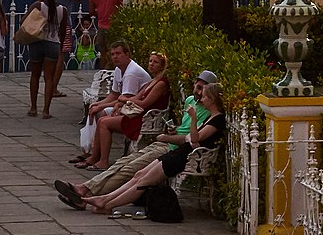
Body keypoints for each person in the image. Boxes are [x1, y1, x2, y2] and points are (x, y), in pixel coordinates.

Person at [55, 70, 218, 204]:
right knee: (123, 162)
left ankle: (85, 193)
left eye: (202, 90)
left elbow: (191, 138)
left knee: (129, 169)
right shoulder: (190, 100)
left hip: (173, 148)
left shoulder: (208, 112)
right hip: (166, 143)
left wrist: (166, 138)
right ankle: (86, 189)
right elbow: (184, 127)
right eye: (197, 87)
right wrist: (172, 130)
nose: (198, 92)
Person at [75, 52, 170, 171]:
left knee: (104, 122)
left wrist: (123, 99)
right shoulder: (152, 81)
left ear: (162, 66)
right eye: (150, 61)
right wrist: (122, 101)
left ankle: (103, 161)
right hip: (137, 114)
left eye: (155, 62)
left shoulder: (161, 83)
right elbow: (136, 98)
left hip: (144, 118)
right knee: (103, 120)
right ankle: (94, 157)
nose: (151, 64)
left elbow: (144, 103)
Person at [39, 0, 82, 96]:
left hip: (47, 24)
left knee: (48, 57)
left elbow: (39, 1)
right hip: (64, 23)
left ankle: (47, 85)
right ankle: (54, 88)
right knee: (60, 56)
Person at [27, 0, 68, 119]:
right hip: (53, 43)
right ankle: (46, 110)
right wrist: (61, 46)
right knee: (49, 78)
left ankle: (33, 107)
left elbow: (24, 20)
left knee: (35, 75)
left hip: (37, 42)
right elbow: (63, 31)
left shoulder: (38, 6)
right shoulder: (63, 10)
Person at [86, 0, 123, 69]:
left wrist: (101, 10)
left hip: (101, 26)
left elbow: (91, 11)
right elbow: (123, 8)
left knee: (103, 54)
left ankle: (103, 75)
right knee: (116, 54)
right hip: (114, 27)